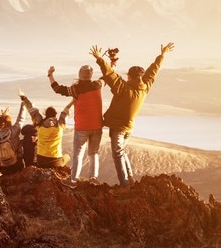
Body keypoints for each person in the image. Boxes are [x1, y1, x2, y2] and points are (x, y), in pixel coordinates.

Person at [90, 42, 175, 195]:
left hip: (119, 128)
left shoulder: (124, 88)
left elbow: (109, 74)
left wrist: (99, 58)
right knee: (122, 152)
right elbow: (153, 70)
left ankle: (124, 185)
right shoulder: (145, 86)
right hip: (129, 128)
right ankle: (130, 178)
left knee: (117, 154)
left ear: (129, 76)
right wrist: (162, 55)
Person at [48, 65, 105, 188]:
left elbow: (57, 89)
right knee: (93, 152)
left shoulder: (75, 89)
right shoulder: (98, 85)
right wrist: (110, 64)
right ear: (90, 75)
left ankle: (73, 181)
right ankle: (93, 178)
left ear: (80, 75)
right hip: (97, 126)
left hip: (82, 127)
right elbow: (106, 77)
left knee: (78, 153)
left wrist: (50, 75)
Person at [19, 90, 71, 168]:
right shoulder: (60, 125)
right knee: (67, 157)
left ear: (45, 114)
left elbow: (32, 110)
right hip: (55, 161)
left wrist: (24, 98)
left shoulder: (40, 125)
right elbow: (66, 111)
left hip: (41, 160)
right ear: (55, 115)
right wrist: (73, 101)